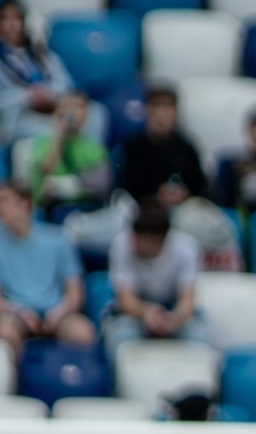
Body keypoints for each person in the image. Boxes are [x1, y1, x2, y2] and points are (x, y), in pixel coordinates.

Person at [0, 179, 87, 353]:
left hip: (56, 312)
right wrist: (20, 311)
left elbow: (75, 291)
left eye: (4, 200)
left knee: (82, 333)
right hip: (15, 313)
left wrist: (59, 312)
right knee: (5, 331)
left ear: (25, 203)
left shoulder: (58, 238)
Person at [102, 203, 200, 356]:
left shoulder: (186, 247)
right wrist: (148, 313)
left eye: (141, 240)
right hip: (135, 312)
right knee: (122, 338)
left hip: (173, 309)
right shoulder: (121, 244)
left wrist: (174, 320)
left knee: (197, 337)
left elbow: (188, 300)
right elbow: (125, 300)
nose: (134, 243)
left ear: (160, 239)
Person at [117, 85, 208, 212]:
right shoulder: (134, 147)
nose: (163, 115)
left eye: (168, 108)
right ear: (147, 111)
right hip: (143, 210)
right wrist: (157, 192)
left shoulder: (187, 148)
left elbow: (200, 185)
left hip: (183, 209)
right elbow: (129, 185)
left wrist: (185, 194)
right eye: (157, 107)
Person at [0, 0, 72, 146]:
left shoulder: (41, 55)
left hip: (52, 110)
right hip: (17, 118)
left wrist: (49, 94)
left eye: (17, 18)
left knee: (96, 114)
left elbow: (66, 84)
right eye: (4, 18)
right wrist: (28, 96)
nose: (12, 25)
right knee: (60, 132)